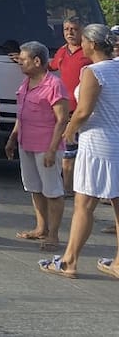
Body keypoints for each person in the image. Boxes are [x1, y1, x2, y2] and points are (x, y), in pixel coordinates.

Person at [39, 24, 119, 278]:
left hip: (98, 143)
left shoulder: (93, 71)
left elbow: (84, 110)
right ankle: (117, 263)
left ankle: (69, 261)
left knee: (84, 204)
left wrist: (69, 129)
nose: (81, 45)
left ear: (92, 44)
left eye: (84, 41)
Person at [8, 41, 71, 252]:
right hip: (26, 142)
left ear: (37, 61)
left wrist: (53, 149)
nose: (20, 63)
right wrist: (12, 137)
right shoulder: (25, 84)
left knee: (52, 191)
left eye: (23, 59)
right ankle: (41, 228)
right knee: (34, 188)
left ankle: (53, 234)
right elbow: (21, 114)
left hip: (46, 145)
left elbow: (62, 119)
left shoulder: (54, 84)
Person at [51, 17, 90, 195]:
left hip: (85, 108)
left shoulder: (88, 52)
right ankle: (67, 189)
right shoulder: (62, 51)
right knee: (68, 150)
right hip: (66, 108)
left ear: (81, 31)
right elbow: (50, 67)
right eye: (66, 29)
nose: (70, 32)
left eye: (73, 29)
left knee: (84, 151)